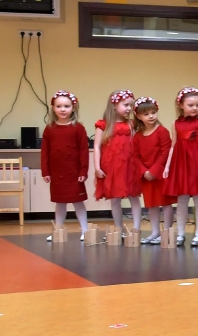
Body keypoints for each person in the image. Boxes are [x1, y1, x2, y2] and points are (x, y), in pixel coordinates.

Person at [40, 90, 90, 241]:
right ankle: (58, 230)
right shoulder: (49, 129)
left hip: (74, 172)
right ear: (53, 108)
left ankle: (85, 230)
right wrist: (45, 171)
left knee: (78, 202)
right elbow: (45, 152)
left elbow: (83, 152)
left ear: (73, 108)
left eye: (66, 106)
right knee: (60, 203)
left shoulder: (78, 128)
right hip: (57, 173)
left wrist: (83, 171)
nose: (62, 109)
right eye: (59, 106)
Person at [165, 87, 198, 247]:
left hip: (197, 163)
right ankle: (180, 234)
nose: (195, 108)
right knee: (182, 200)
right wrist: (168, 166)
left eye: (197, 105)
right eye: (190, 105)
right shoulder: (176, 123)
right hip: (181, 165)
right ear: (181, 105)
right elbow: (173, 145)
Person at [94, 89, 141, 240]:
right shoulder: (103, 125)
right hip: (112, 167)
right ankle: (118, 228)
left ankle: (136, 229)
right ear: (114, 105)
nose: (129, 108)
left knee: (134, 197)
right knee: (115, 199)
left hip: (130, 166)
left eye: (131, 105)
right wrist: (97, 167)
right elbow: (97, 147)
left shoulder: (132, 124)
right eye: (126, 105)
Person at [131, 96, 175, 245]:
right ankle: (155, 231)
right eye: (146, 114)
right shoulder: (137, 137)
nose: (151, 116)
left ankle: (167, 231)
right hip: (147, 176)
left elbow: (165, 152)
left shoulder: (162, 132)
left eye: (153, 112)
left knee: (166, 203)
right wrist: (144, 172)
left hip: (161, 174)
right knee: (152, 205)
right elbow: (135, 156)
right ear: (139, 116)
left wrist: (154, 171)